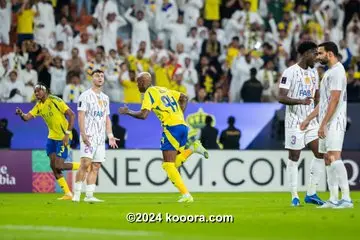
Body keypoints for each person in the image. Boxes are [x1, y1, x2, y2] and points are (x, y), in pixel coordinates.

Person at [119, 72, 208, 203]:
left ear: (144, 82)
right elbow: (184, 97)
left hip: (171, 129)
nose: (137, 85)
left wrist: (128, 112)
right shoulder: (163, 89)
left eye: (138, 82)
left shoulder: (149, 92)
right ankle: (193, 149)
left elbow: (144, 115)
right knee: (174, 163)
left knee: (168, 165)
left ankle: (186, 195)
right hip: (182, 126)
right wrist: (179, 115)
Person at [301, 41, 353, 209]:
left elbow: (335, 100)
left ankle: (346, 198)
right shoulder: (329, 73)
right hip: (326, 122)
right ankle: (333, 198)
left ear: (330, 54)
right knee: (326, 158)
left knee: (333, 156)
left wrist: (323, 124)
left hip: (334, 122)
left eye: (320, 53)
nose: (318, 56)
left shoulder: (338, 71)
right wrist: (308, 118)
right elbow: (323, 102)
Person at [277, 41, 325, 207]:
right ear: (305, 54)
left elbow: (317, 96)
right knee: (294, 157)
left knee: (320, 153)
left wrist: (318, 115)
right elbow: (281, 97)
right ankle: (294, 196)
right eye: (315, 54)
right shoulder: (289, 72)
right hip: (294, 122)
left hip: (311, 121)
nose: (317, 58)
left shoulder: (314, 73)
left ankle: (311, 193)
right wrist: (300, 101)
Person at [15, 83, 79, 200]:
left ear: (45, 91)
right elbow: (26, 118)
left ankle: (83, 166)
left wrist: (67, 134)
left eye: (39, 91)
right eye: (35, 91)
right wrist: (21, 114)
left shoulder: (55, 100)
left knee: (59, 165)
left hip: (63, 137)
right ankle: (68, 193)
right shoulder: (39, 105)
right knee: (53, 166)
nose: (36, 93)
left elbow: (72, 115)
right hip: (51, 138)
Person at [72, 69, 119, 203]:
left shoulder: (105, 98)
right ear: (91, 78)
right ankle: (76, 194)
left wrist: (110, 135)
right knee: (85, 163)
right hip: (88, 135)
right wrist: (83, 134)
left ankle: (89, 195)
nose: (100, 78)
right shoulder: (85, 96)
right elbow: (80, 116)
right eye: (97, 76)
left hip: (100, 137)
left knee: (96, 165)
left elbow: (106, 118)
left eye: (102, 76)